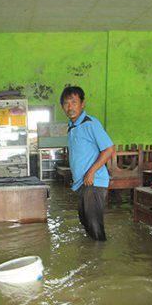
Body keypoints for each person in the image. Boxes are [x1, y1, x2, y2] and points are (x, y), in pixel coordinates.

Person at [60, 86, 115, 241]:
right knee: (86, 223)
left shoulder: (90, 123)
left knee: (94, 226)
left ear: (82, 103)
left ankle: (99, 261)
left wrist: (91, 172)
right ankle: (91, 258)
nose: (69, 107)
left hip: (93, 182)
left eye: (73, 102)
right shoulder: (72, 128)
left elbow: (109, 149)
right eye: (66, 103)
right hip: (82, 184)